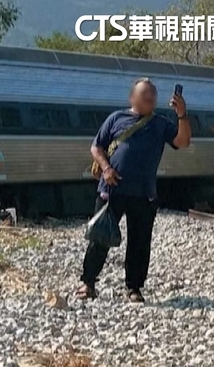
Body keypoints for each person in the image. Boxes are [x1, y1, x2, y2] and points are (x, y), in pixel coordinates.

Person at [77, 78, 191, 303]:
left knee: (140, 242)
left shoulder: (161, 123)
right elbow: (96, 146)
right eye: (145, 93)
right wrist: (106, 168)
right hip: (112, 190)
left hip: (144, 193)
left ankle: (134, 288)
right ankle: (87, 282)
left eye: (153, 94)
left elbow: (183, 142)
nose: (150, 97)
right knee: (99, 237)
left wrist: (182, 115)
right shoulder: (116, 118)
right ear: (132, 97)